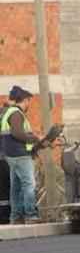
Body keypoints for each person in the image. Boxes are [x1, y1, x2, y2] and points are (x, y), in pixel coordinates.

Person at [2, 86, 42, 224]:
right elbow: (17, 133)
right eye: (28, 101)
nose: (28, 105)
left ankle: (15, 216)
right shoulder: (16, 114)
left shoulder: (8, 112)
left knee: (16, 187)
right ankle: (31, 215)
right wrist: (34, 138)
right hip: (20, 155)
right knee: (29, 184)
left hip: (12, 154)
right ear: (24, 100)